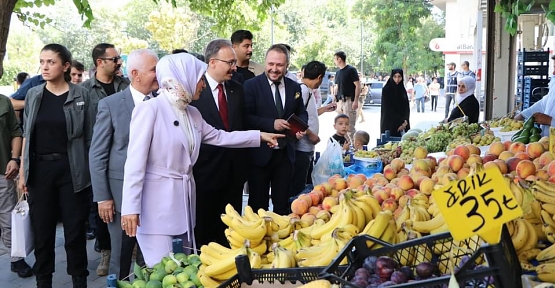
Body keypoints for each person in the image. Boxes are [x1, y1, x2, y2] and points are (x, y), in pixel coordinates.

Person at [120, 53, 282, 267]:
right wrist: (130, 208)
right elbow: (134, 162)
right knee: (164, 269)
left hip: (185, 201)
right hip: (156, 206)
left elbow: (221, 136)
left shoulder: (192, 113)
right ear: (184, 77)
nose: (203, 85)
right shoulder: (150, 109)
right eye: (200, 78)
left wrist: (258, 136)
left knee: (186, 265)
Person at [18, 43, 95, 288]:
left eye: (51, 62)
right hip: (40, 171)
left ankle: (79, 280)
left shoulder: (81, 95)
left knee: (74, 232)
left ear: (66, 66)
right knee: (42, 232)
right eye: (42, 61)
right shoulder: (33, 94)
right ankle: (44, 281)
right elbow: (28, 135)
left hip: (72, 170)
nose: (45, 66)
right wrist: (22, 172)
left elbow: (92, 137)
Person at [89, 49, 157, 279]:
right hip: (119, 197)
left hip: (155, 191)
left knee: (150, 257)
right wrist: (104, 197)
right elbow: (97, 155)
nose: (159, 75)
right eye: (154, 70)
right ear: (136, 74)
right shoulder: (111, 104)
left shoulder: (161, 104)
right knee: (122, 254)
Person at [189, 39, 249, 247]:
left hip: (234, 175)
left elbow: (241, 126)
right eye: (229, 62)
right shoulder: (194, 91)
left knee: (231, 233)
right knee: (205, 233)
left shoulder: (237, 89)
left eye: (234, 62)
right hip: (205, 175)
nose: (234, 67)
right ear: (212, 62)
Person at [81, 43, 129, 276]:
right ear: (100, 62)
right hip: (97, 158)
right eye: (115, 59)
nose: (119, 62)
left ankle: (126, 254)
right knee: (102, 210)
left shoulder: (125, 85)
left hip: (120, 158)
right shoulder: (83, 90)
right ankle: (106, 252)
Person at [244, 44, 308, 215]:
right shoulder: (250, 86)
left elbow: (301, 112)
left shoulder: (294, 87)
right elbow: (246, 118)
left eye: (279, 65)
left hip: (285, 154)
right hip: (259, 156)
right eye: (271, 64)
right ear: (265, 63)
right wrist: (271, 124)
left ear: (287, 65)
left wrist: (301, 128)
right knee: (258, 205)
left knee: (283, 204)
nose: (274, 69)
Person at [290, 61, 335, 197]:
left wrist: (324, 109)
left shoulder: (307, 91)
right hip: (301, 148)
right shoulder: (303, 90)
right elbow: (294, 118)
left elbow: (309, 114)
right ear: (320, 77)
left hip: (307, 148)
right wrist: (311, 135)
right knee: (298, 188)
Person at [0, 93, 33, 278]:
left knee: (7, 218)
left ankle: (16, 259)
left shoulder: (4, 101)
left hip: (3, 170)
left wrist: (14, 158)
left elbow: (16, 132)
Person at [515, 56, 555, 136]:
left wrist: (550, 121)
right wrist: (523, 115)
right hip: (547, 142)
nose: (553, 72)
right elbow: (544, 103)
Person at [333, 51, 360, 143]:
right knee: (341, 128)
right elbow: (337, 86)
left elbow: (357, 85)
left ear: (339, 59)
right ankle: (346, 148)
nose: (334, 61)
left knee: (349, 128)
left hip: (349, 100)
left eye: (335, 59)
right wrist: (335, 100)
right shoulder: (338, 73)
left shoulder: (351, 70)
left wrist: (355, 100)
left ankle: (356, 148)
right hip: (340, 101)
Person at [380, 69, 410, 137]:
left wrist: (405, 122)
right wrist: (401, 122)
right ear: (391, 77)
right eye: (395, 77)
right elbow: (388, 109)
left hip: (403, 124)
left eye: (399, 77)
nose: (397, 79)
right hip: (389, 124)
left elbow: (406, 108)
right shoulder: (386, 90)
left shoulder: (402, 90)